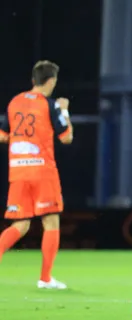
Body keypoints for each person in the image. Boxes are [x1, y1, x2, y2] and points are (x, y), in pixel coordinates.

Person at [0, 60, 73, 289]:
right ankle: (45, 278)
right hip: (42, 170)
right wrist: (64, 110)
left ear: (33, 80)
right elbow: (66, 137)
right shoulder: (50, 105)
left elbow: (2, 135)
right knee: (51, 222)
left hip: (18, 171)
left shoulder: (14, 102)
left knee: (19, 226)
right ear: (50, 81)